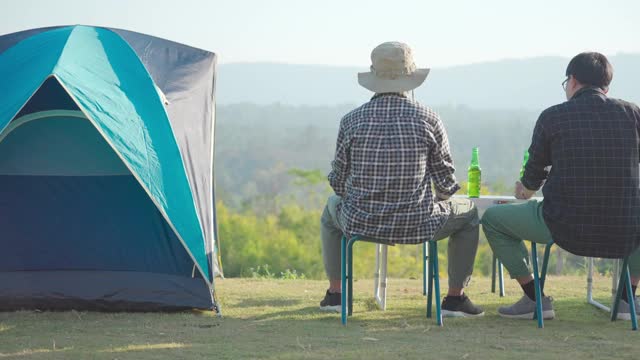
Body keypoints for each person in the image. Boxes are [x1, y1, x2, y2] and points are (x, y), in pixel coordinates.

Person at [319, 41, 483, 317]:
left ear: (373, 77)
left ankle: (337, 295)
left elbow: (337, 183)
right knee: (470, 215)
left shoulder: (351, 120)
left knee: (330, 210)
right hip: (419, 223)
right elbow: (445, 186)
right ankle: (456, 298)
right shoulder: (429, 118)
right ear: (410, 78)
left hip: (360, 221)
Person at [482, 52, 640, 320]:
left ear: (573, 81)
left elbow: (535, 171)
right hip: (624, 224)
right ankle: (627, 299)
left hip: (564, 224)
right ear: (606, 87)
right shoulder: (632, 114)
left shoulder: (553, 116)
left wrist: (526, 189)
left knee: (493, 220)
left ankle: (535, 298)